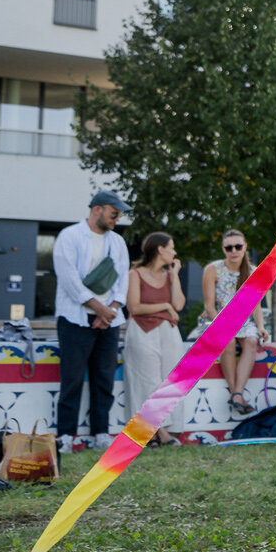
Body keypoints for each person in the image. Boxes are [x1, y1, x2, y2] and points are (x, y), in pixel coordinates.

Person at [53, 191, 131, 453]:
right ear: (97, 209)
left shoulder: (118, 242)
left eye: (119, 214)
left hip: (109, 319)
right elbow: (69, 280)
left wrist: (110, 311)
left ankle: (100, 433)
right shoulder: (69, 236)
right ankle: (65, 435)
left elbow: (123, 282)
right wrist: (101, 309)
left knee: (104, 379)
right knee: (72, 378)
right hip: (74, 319)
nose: (117, 218)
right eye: (114, 213)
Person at [122, 231, 186, 448]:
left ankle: (154, 434)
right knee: (146, 382)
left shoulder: (170, 276)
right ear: (160, 249)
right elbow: (134, 307)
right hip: (142, 331)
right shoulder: (135, 273)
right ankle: (161, 433)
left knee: (167, 382)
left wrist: (175, 275)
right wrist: (165, 306)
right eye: (172, 247)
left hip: (168, 332)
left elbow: (178, 304)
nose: (175, 252)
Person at [203, 229, 266, 417]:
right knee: (227, 341)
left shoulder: (254, 271)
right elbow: (209, 306)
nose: (234, 251)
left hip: (245, 321)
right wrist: (221, 324)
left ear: (245, 247)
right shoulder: (213, 269)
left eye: (238, 246)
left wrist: (261, 326)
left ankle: (236, 393)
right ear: (223, 249)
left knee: (252, 341)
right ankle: (236, 394)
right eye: (229, 248)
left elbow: (256, 305)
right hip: (218, 319)